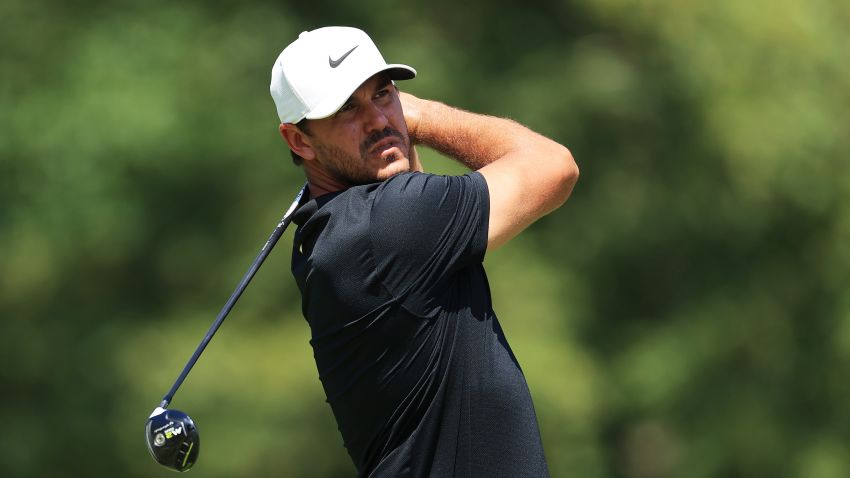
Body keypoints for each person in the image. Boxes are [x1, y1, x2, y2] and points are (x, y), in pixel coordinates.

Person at [269, 26, 578, 477]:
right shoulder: (389, 224)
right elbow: (555, 166)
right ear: (299, 140)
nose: (376, 119)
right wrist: (421, 116)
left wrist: (392, 134)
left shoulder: (334, 234)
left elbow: (409, 177)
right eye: (347, 108)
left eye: (383, 93)